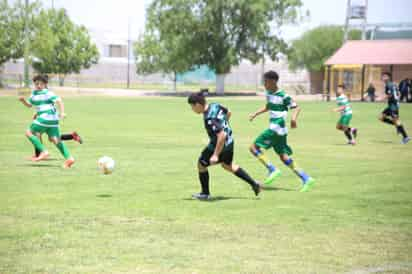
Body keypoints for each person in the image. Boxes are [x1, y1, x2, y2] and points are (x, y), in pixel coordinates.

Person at [248, 70, 314, 192]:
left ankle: (272, 169)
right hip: (281, 131)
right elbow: (269, 106)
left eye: (266, 81)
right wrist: (256, 114)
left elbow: (296, 107)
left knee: (253, 147)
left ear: (273, 81)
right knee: (284, 157)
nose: (264, 84)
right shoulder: (268, 93)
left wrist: (293, 119)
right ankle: (306, 178)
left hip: (276, 127)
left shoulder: (284, 96)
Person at [187, 92, 262, 200]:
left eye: (192, 106)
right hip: (229, 142)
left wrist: (215, 155)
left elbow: (221, 135)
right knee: (228, 165)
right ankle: (254, 184)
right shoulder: (215, 105)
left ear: (198, 105)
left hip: (219, 143)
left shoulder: (210, 119)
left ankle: (205, 193)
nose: (192, 109)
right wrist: (224, 124)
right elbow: (229, 112)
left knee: (201, 164)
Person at [18, 74, 75, 168]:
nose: (38, 86)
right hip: (53, 120)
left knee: (29, 132)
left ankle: (44, 152)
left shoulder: (47, 93)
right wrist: (23, 101)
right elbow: (29, 105)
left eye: (41, 84)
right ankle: (69, 159)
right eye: (36, 84)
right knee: (55, 139)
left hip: (45, 117)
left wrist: (62, 112)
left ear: (45, 85)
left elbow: (59, 100)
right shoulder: (34, 94)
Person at [379, 72, 410, 144]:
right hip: (392, 105)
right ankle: (398, 127)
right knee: (381, 117)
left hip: (393, 106)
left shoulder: (389, 85)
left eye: (384, 76)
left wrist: (382, 98)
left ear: (388, 77)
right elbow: (398, 93)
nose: (383, 77)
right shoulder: (393, 84)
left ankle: (405, 137)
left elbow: (390, 95)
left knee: (396, 121)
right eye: (382, 76)